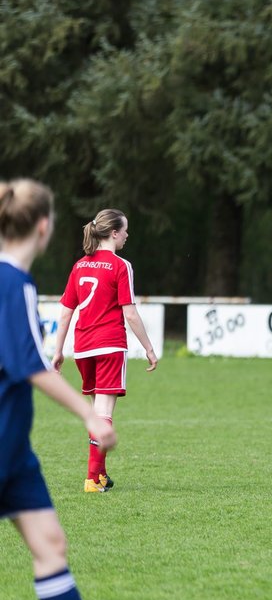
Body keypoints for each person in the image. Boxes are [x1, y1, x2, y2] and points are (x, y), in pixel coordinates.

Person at [0, 178, 151, 600]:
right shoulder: (13, 284)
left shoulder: (25, 279)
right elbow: (32, 365)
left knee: (51, 545)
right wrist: (89, 416)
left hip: (15, 451)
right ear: (43, 227)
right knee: (50, 546)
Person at [50, 209, 159, 493]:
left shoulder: (79, 266)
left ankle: (100, 475)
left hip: (83, 348)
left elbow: (65, 313)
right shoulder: (121, 265)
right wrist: (148, 347)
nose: (127, 235)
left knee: (96, 411)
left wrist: (58, 351)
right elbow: (130, 314)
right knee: (104, 412)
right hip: (110, 344)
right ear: (113, 233)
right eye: (124, 230)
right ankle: (91, 477)